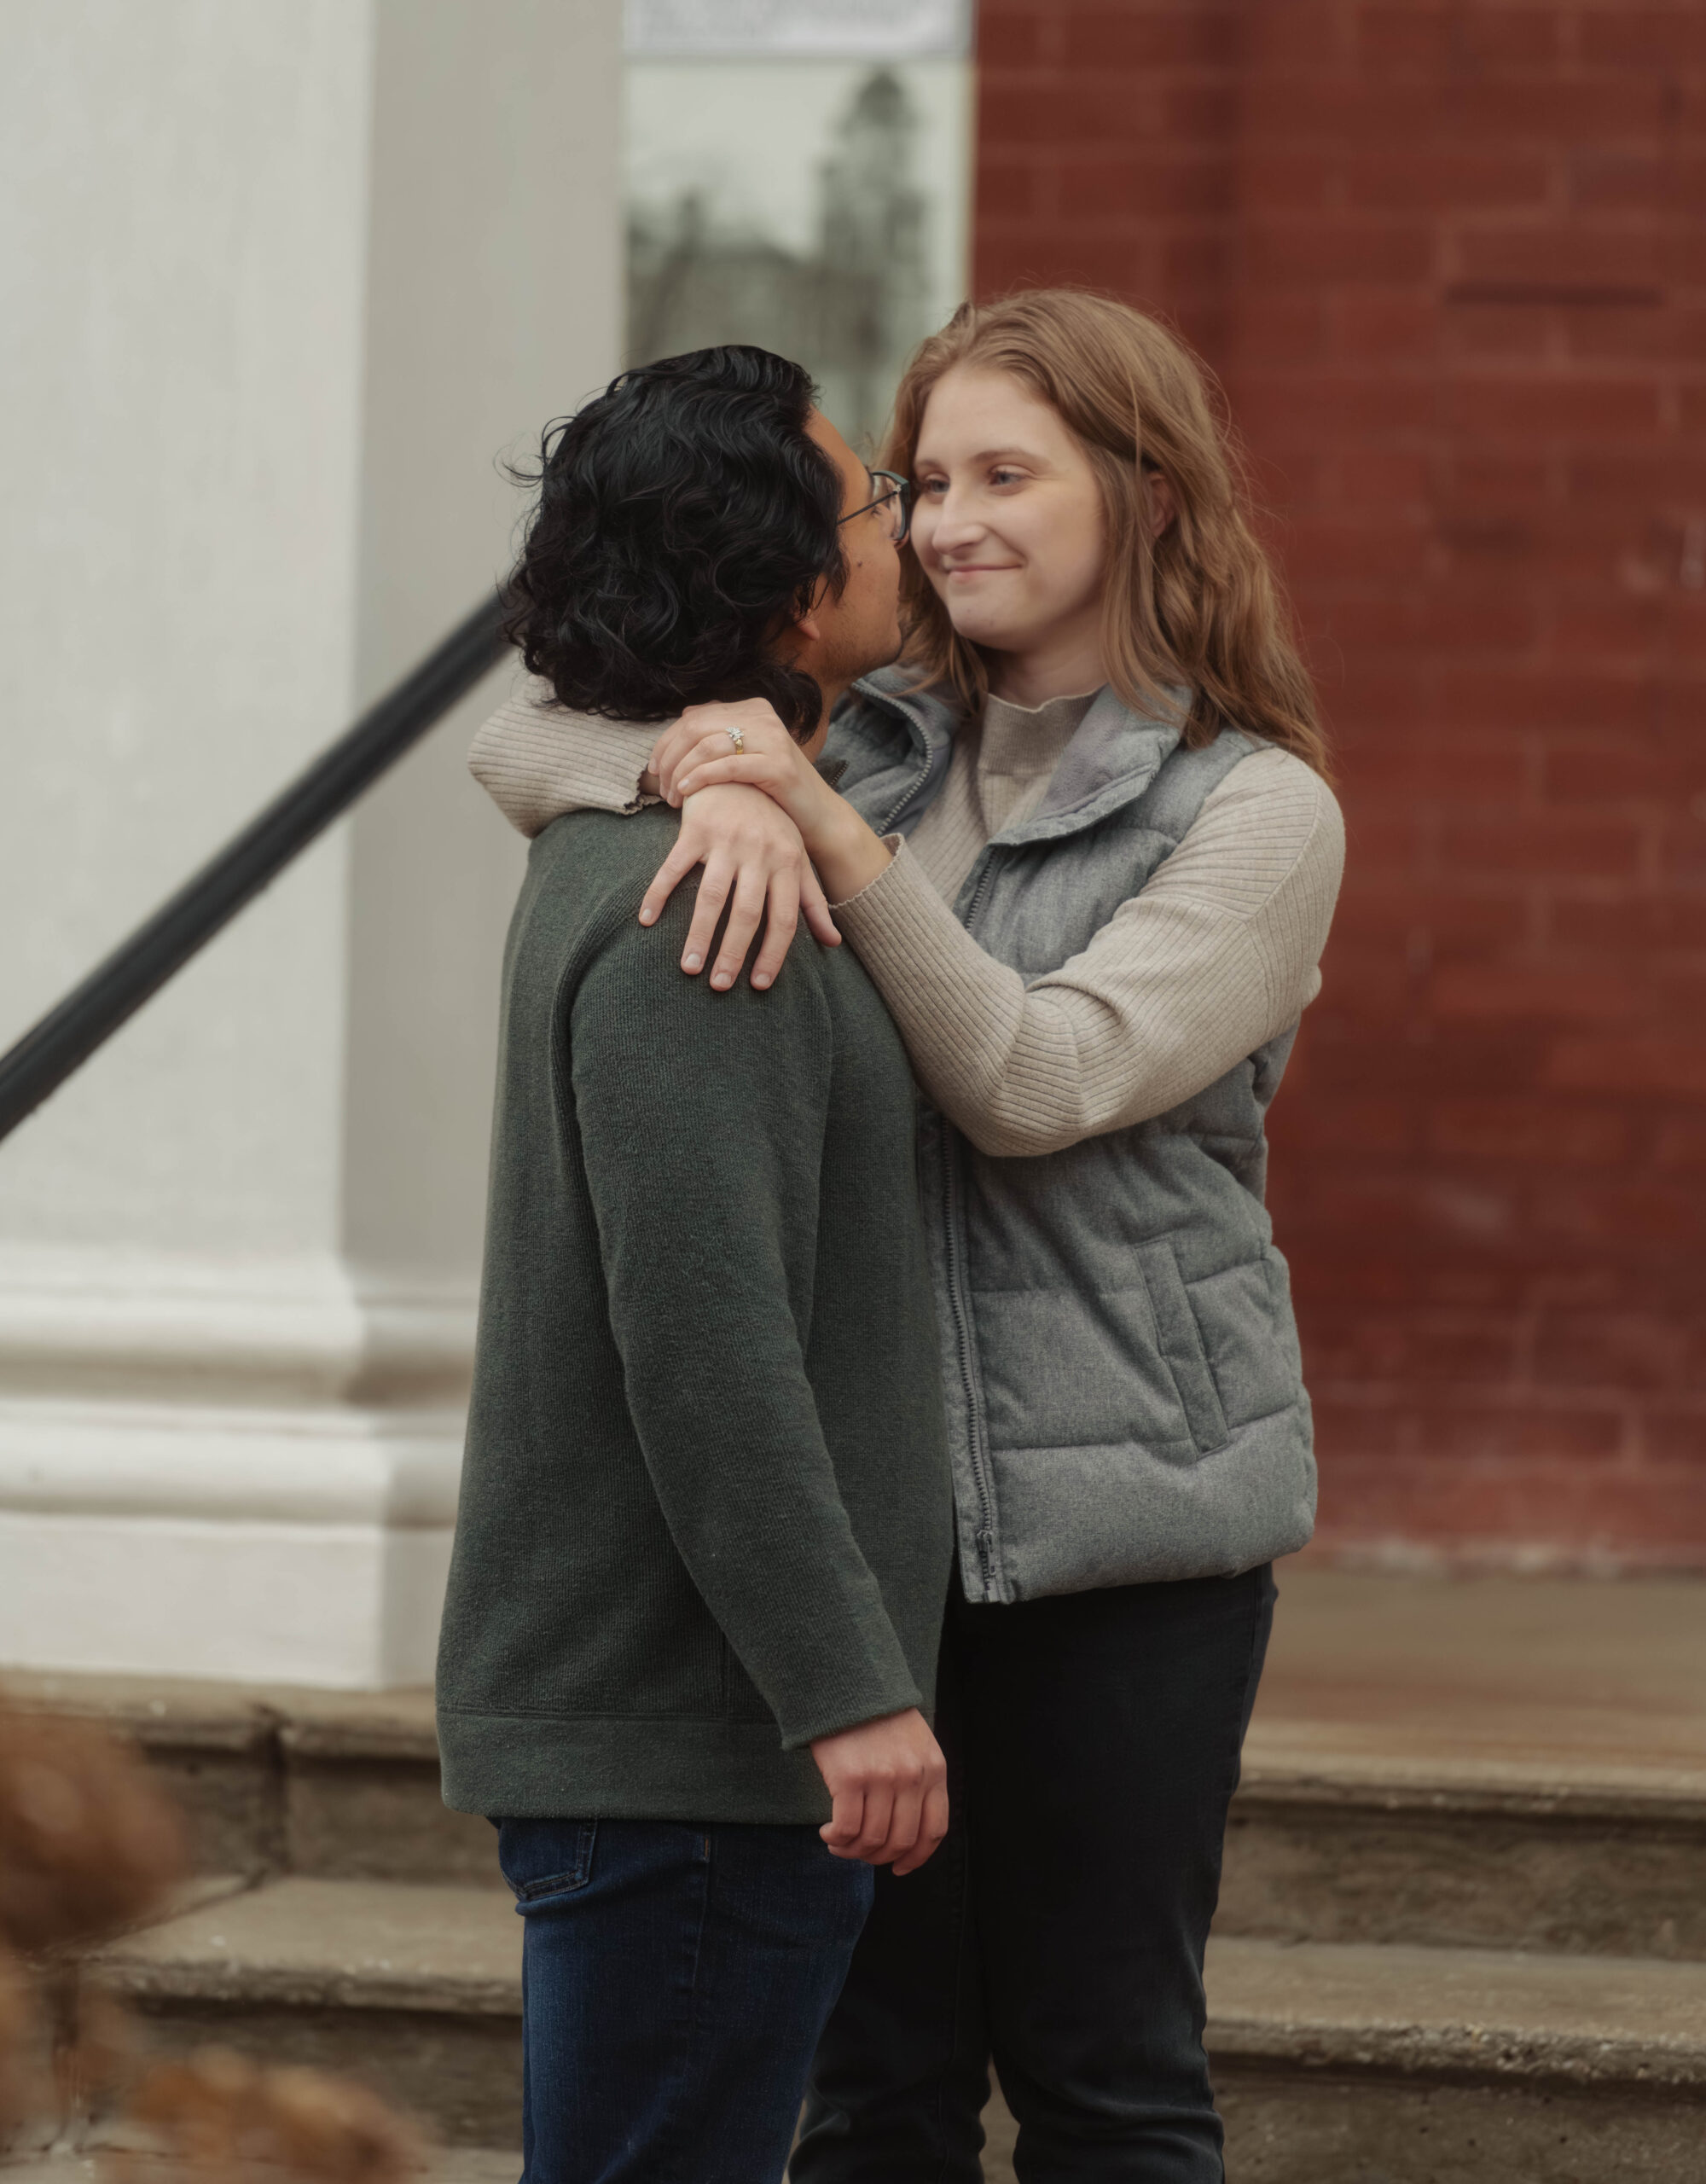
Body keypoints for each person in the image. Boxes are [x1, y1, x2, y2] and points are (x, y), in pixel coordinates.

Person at [467, 290, 1346, 2181]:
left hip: (1122, 1536)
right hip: (874, 1552)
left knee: (1109, 2082)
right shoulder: (857, 734)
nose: (946, 520)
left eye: (1004, 473)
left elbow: (1035, 1081)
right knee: (870, 2098)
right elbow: (526, 744)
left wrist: (811, 828)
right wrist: (699, 777)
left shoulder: (1253, 812)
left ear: (1145, 489)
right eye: (923, 477)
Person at [435, 345, 955, 2184]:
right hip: (688, 1752)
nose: (905, 531)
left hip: (679, 1749)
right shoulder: (694, 914)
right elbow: (710, 1345)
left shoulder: (647, 845)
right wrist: (849, 1684)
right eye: (872, 504)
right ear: (792, 590)